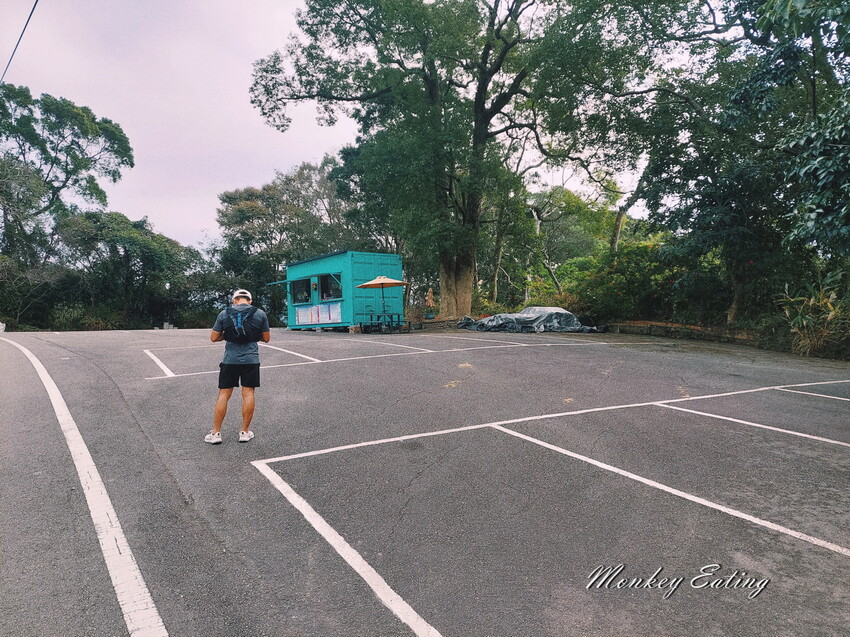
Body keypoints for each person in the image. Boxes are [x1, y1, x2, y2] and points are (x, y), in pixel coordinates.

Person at [205, 289, 270, 444]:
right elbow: (266, 338)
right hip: (251, 360)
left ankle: (216, 433)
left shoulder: (224, 313)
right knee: (248, 394)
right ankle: (245, 432)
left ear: (234, 300)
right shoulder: (260, 313)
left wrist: (226, 335)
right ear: (250, 300)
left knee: (224, 395)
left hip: (230, 361)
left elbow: (213, 338)